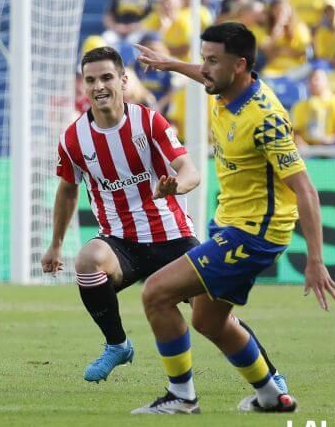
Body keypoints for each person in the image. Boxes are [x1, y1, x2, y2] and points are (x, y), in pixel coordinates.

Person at [41, 46, 288, 394]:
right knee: (87, 261)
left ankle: (271, 375)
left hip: (173, 239)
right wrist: (54, 245)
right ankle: (117, 345)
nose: (99, 86)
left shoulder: (149, 121)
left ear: (124, 81)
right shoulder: (73, 139)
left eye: (107, 77)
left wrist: (175, 187)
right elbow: (67, 192)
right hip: (120, 242)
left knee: (214, 316)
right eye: (91, 79)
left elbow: (190, 172)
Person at [134, 23, 335, 414]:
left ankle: (181, 397)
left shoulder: (265, 119)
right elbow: (204, 73)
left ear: (240, 65)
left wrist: (315, 260)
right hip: (230, 222)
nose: (204, 68)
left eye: (213, 60)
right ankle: (271, 395)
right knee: (208, 321)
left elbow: (306, 190)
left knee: (156, 292)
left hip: (253, 234)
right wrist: (170, 64)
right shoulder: (224, 87)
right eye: (204, 58)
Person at [291, 68, 335, 145]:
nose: (313, 82)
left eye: (317, 79)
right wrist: (303, 146)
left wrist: (329, 140)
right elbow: (296, 132)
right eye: (310, 79)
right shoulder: (299, 106)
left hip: (333, 149)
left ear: (327, 82)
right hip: (306, 151)